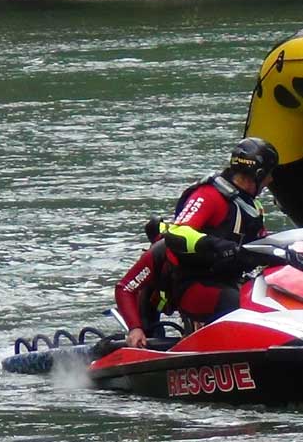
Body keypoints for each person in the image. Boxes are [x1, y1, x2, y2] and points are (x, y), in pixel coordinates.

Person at [161, 137, 279, 327]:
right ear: (258, 174)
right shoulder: (209, 195)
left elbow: (261, 241)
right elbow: (176, 234)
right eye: (269, 174)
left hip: (232, 280)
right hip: (195, 285)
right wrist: (217, 245)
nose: (270, 180)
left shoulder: (252, 206)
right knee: (243, 305)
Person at [115, 219, 174, 348]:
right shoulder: (157, 254)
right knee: (147, 329)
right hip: (154, 294)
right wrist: (135, 328)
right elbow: (124, 288)